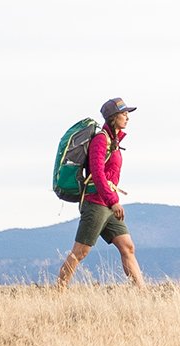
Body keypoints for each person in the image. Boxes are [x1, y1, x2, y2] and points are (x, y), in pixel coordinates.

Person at [56, 97, 146, 289]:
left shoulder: (113, 142)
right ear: (113, 117)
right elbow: (97, 174)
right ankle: (58, 290)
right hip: (96, 203)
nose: (127, 117)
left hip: (107, 203)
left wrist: (112, 202)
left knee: (128, 247)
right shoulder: (100, 140)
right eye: (124, 114)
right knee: (80, 252)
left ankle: (143, 293)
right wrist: (113, 201)